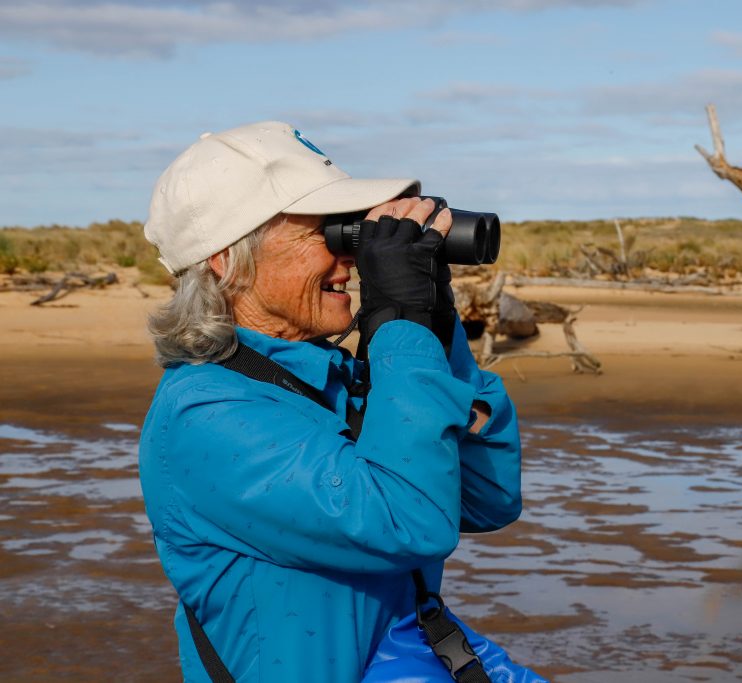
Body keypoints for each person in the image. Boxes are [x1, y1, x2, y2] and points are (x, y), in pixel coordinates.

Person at [138, 121, 522, 682]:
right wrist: (400, 324)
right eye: (329, 232)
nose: (352, 258)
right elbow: (408, 522)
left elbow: (488, 499)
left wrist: (434, 325)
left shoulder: (329, 381)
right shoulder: (204, 416)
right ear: (226, 259)